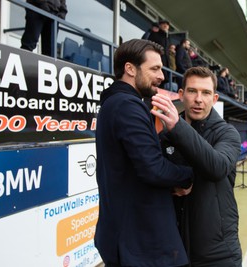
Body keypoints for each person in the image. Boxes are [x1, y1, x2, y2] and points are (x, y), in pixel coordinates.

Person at [95, 39, 194, 267]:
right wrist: (188, 176)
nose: (161, 76)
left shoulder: (118, 103)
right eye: (154, 69)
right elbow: (153, 168)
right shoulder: (127, 105)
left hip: (132, 240)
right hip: (140, 244)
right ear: (130, 69)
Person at [151, 66, 243, 267]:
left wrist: (178, 127)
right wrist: (171, 185)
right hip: (175, 250)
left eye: (206, 93)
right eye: (192, 91)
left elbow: (217, 167)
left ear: (215, 99)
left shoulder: (227, 134)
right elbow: (151, 176)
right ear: (181, 95)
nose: (198, 99)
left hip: (218, 255)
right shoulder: (166, 137)